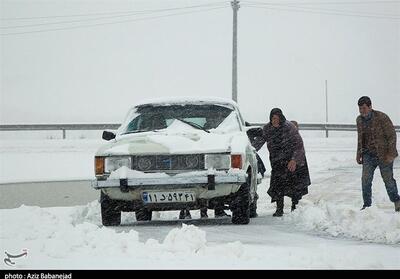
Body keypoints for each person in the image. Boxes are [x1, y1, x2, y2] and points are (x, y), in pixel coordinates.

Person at [253, 108, 311, 217]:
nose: (274, 121)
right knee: (278, 185)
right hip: (277, 161)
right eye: (272, 118)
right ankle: (279, 209)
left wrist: (294, 160)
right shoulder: (267, 128)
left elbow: (299, 145)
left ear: (281, 118)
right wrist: (251, 149)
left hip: (291, 160)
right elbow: (259, 142)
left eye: (276, 118)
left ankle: (294, 207)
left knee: (294, 185)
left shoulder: (289, 127)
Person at [356, 96, 400, 212]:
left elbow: (392, 136)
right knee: (365, 180)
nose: (362, 111)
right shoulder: (359, 120)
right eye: (360, 109)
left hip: (384, 154)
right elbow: (360, 138)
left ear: (370, 107)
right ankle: (367, 206)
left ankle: (397, 202)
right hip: (368, 155)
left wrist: (391, 154)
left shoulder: (382, 118)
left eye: (364, 108)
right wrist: (358, 154)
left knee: (388, 180)